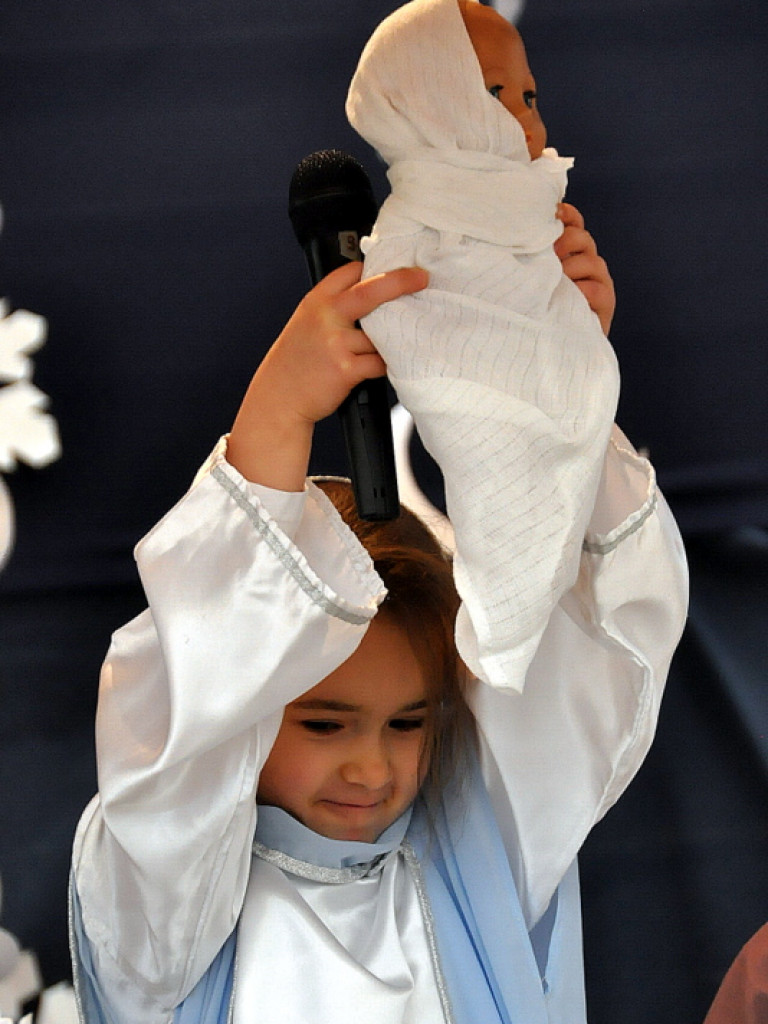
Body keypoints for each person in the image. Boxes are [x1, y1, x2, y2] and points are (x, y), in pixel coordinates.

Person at [69, 5, 688, 1024]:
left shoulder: (479, 852)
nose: (373, 767)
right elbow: (183, 726)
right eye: (323, 721)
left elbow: (594, 650)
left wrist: (568, 386)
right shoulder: (167, 919)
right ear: (254, 698)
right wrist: (276, 419)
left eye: (409, 724)